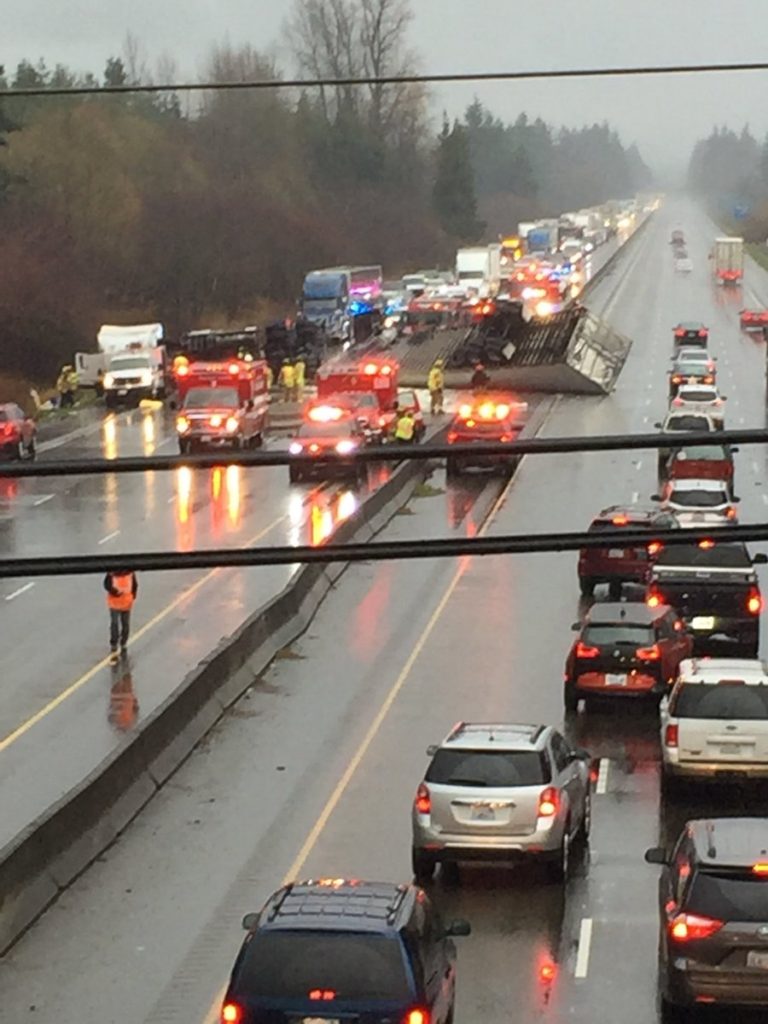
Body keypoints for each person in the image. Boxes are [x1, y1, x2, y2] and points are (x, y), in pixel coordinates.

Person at [104, 569, 138, 663]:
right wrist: (115, 592)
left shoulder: (130, 574)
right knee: (114, 624)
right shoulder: (111, 574)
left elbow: (134, 586)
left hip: (126, 603)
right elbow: (107, 585)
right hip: (114, 603)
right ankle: (114, 643)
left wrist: (132, 597)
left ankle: (123, 642)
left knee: (125, 624)